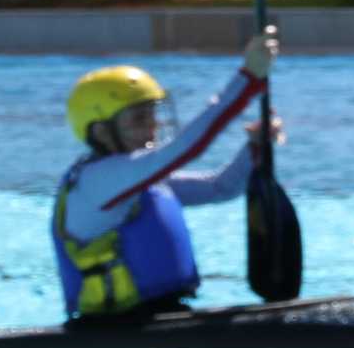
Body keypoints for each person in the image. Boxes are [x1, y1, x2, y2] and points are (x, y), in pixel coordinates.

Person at [53, 30, 279, 319]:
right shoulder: (98, 182)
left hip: (164, 314)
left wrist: (255, 146)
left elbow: (220, 188)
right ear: (100, 131)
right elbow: (183, 150)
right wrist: (247, 79)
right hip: (114, 326)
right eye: (139, 119)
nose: (153, 128)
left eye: (153, 115)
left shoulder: (137, 180)